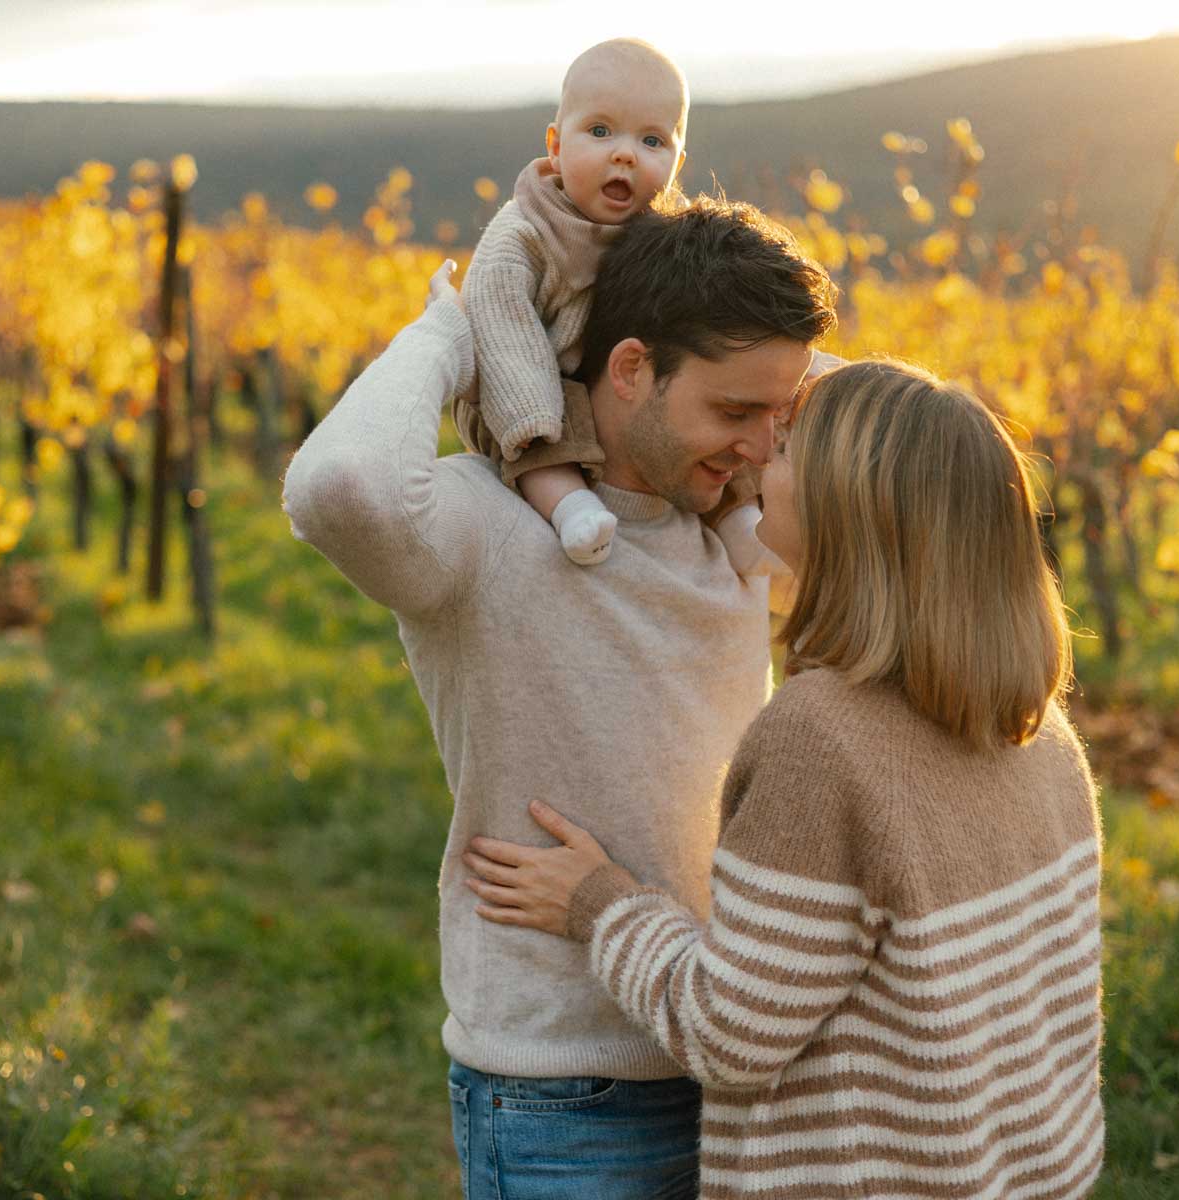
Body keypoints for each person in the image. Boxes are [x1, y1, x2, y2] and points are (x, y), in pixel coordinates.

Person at [282, 198, 837, 1198]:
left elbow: (904, 438)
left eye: (779, 416)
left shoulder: (733, 527)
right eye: (736, 412)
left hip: (734, 1061)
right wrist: (465, 328)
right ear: (630, 370)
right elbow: (338, 488)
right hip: (567, 1094)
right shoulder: (487, 530)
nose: (764, 446)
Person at [463, 359, 1106, 1200]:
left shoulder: (821, 740)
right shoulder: (1042, 735)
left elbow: (728, 1033)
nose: (760, 453)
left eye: (790, 446)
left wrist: (599, 901)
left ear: (851, 504)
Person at [454, 37, 773, 573]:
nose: (624, 153)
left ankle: (739, 518)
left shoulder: (663, 230)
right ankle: (567, 505)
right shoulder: (527, 234)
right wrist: (533, 409)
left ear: (677, 160)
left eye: (652, 140)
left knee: (717, 413)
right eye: (599, 132)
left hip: (610, 384)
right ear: (555, 145)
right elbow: (499, 321)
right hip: (522, 387)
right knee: (553, 422)